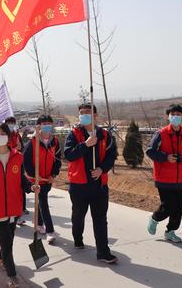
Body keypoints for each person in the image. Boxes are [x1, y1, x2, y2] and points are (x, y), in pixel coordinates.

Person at [0, 123, 38, 288]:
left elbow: (22, 180)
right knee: (7, 242)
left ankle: (0, 254)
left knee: (8, 241)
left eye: (3, 133)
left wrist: (31, 186)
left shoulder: (17, 157)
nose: (0, 136)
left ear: (9, 136)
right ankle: (12, 276)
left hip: (14, 207)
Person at [64, 103, 118, 264]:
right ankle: (77, 237)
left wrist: (102, 169)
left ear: (95, 115)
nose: (84, 115)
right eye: (81, 113)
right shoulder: (74, 134)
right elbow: (69, 155)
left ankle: (103, 252)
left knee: (100, 218)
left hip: (99, 184)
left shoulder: (105, 135)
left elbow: (111, 155)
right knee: (78, 215)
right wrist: (85, 145)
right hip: (79, 185)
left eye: (88, 112)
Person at [146, 104, 182, 243]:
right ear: (168, 117)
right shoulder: (161, 133)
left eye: (179, 114)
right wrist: (166, 157)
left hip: (179, 178)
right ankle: (155, 218)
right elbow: (150, 151)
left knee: (178, 208)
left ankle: (170, 232)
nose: (176, 117)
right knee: (168, 206)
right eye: (173, 114)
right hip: (163, 177)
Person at [23, 115, 62, 244]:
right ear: (38, 126)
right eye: (43, 123)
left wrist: (54, 175)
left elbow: (57, 160)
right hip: (36, 180)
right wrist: (35, 175)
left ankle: (39, 224)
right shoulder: (32, 142)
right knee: (43, 202)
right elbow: (26, 162)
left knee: (41, 201)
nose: (46, 126)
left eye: (48, 123)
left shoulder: (55, 142)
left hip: (47, 179)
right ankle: (50, 231)